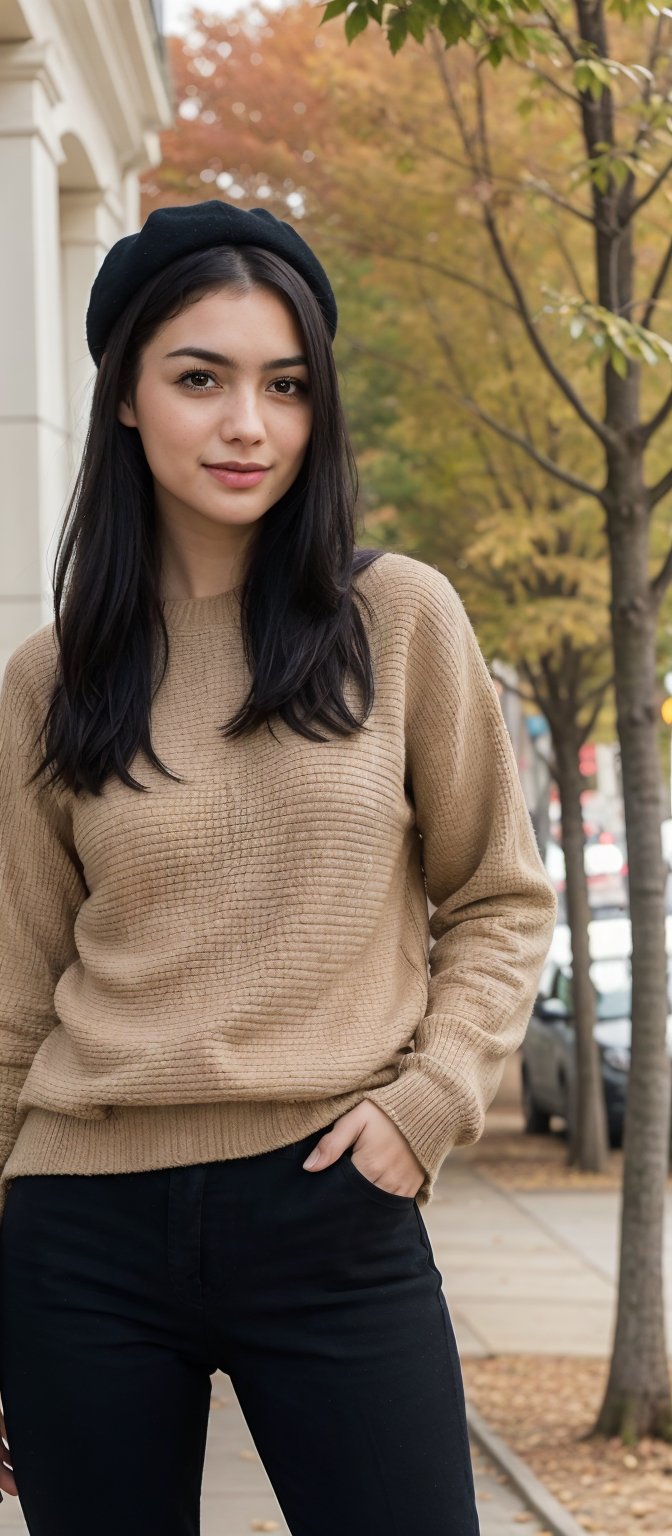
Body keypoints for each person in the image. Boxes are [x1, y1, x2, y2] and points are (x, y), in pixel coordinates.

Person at [0, 200, 557, 1535]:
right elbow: (13, 1005)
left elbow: (498, 897)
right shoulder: (50, 682)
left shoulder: (398, 618)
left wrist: (427, 1107)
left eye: (286, 384)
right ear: (127, 398)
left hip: (334, 1200)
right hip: (80, 1231)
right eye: (201, 378)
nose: (248, 423)